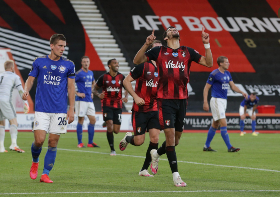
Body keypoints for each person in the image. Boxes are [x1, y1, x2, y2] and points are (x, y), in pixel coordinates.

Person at [133, 27, 213, 187]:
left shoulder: (187, 51)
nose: (174, 29)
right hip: (165, 100)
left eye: (175, 28)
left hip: (182, 101)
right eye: (170, 29)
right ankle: (176, 176)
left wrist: (207, 44)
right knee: (170, 139)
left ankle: (156, 154)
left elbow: (208, 63)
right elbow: (137, 61)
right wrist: (146, 44)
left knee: (175, 141)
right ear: (166, 37)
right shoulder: (159, 51)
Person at [22, 34, 75, 183]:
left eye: (64, 46)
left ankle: (45, 174)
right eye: (60, 46)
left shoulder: (69, 65)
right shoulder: (39, 62)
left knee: (53, 142)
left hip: (59, 109)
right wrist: (26, 90)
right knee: (39, 141)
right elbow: (31, 80)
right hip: (42, 108)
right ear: (51, 45)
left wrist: (71, 109)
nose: (62, 49)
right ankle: (35, 161)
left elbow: (71, 88)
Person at [119, 40, 162, 177]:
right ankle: (127, 138)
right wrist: (136, 97)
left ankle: (144, 169)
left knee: (155, 139)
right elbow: (125, 81)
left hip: (154, 108)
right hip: (140, 110)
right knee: (139, 141)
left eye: (160, 49)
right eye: (155, 48)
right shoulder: (143, 66)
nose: (158, 51)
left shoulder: (164, 70)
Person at [203, 56, 247, 152]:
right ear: (221, 63)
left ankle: (206, 146)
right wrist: (205, 102)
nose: (228, 63)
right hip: (216, 100)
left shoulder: (227, 73)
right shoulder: (214, 74)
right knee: (223, 123)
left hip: (223, 101)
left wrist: (241, 92)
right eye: (226, 62)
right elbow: (206, 88)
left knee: (215, 124)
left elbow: (233, 86)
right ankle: (229, 147)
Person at [93, 58, 128, 156]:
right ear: (109, 65)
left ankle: (107, 121)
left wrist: (125, 96)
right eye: (115, 63)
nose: (117, 65)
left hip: (118, 105)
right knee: (110, 124)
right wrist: (99, 95)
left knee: (116, 131)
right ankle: (112, 149)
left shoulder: (121, 77)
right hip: (107, 104)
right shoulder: (103, 77)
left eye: (117, 63)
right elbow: (94, 89)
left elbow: (127, 87)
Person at [0, 60, 29, 153]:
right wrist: (26, 102)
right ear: (12, 68)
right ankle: (14, 144)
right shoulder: (15, 76)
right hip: (5, 100)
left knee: (1, 123)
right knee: (14, 122)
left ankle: (1, 147)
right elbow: (21, 91)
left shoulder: (0, 75)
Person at [75, 56, 99, 148]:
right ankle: (80, 143)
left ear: (89, 63)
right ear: (81, 63)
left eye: (87, 61)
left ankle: (90, 142)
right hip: (81, 101)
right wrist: (77, 93)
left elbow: (93, 83)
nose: (86, 63)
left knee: (93, 120)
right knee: (81, 120)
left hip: (89, 100)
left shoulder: (90, 72)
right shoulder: (78, 73)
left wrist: (92, 91)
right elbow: (69, 84)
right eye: (84, 62)